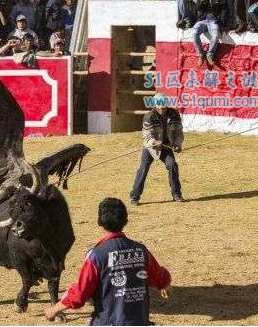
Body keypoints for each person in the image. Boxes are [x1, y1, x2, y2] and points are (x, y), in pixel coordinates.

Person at [44, 197, 172, 325]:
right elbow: (161, 277)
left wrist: (54, 309)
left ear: (99, 222)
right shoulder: (141, 250)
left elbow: (80, 294)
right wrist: (164, 284)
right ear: (125, 220)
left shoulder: (96, 255)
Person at [129, 93, 185, 205]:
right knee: (143, 168)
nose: (161, 109)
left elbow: (179, 132)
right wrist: (153, 142)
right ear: (155, 105)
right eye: (159, 107)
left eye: (163, 107)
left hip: (167, 146)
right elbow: (146, 135)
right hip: (150, 148)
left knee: (172, 164)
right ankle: (135, 196)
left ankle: (176, 194)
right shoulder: (148, 117)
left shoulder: (174, 114)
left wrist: (178, 144)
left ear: (166, 105)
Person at [192, 0, 226, 67]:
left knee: (216, 35)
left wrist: (222, 22)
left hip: (214, 21)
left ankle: (210, 54)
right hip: (202, 21)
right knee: (194, 32)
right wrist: (202, 2)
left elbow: (224, 10)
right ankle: (201, 54)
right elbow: (197, 8)